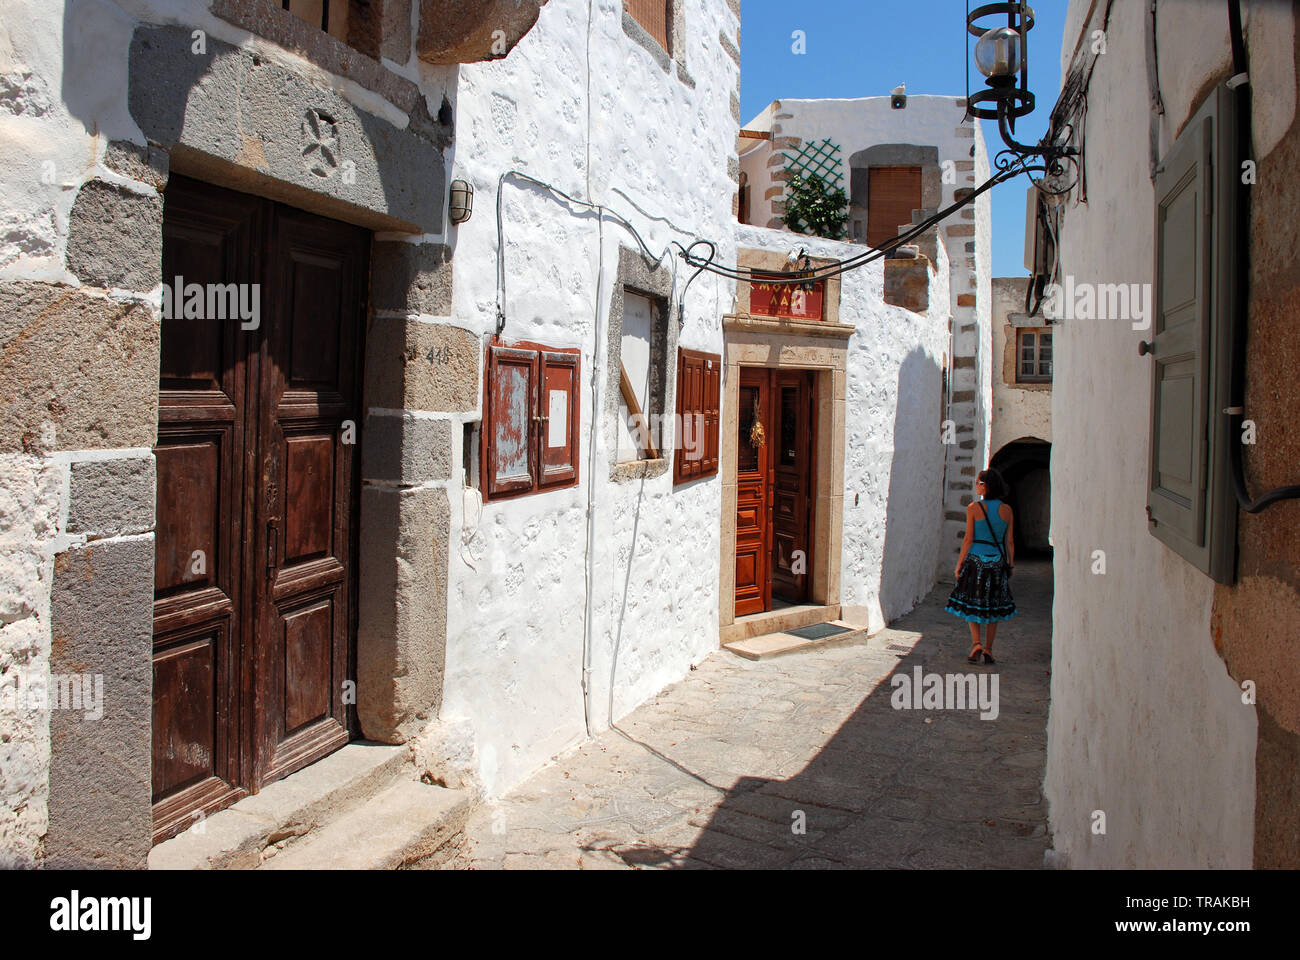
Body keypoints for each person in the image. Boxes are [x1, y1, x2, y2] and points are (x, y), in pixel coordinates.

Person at [945, 468, 1016, 663]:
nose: (976, 485)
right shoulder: (1007, 510)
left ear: (985, 486)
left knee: (971, 602)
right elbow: (1009, 541)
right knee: (994, 606)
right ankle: (989, 649)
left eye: (978, 482)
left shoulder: (973, 508)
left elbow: (968, 538)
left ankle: (976, 643)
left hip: (976, 561)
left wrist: (959, 564)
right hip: (997, 562)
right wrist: (1010, 563)